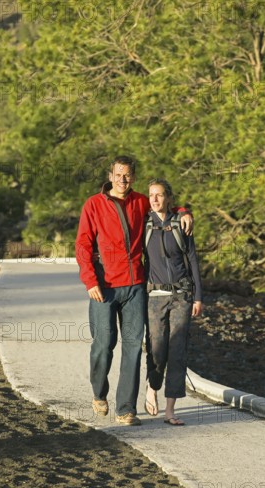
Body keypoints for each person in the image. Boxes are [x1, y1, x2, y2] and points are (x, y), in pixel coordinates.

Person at [75, 156, 192, 426]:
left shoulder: (141, 202)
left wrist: (186, 212)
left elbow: (168, 209)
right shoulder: (94, 204)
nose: (122, 180)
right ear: (110, 175)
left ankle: (126, 409)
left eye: (127, 175)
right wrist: (90, 280)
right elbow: (82, 245)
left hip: (135, 286)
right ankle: (99, 393)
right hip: (103, 287)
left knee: (132, 348)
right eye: (118, 175)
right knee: (104, 345)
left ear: (133, 177)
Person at [144, 179, 203, 426]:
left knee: (177, 351)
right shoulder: (143, 224)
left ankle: (170, 409)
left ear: (168, 197)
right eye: (151, 195)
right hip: (155, 298)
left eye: (160, 195)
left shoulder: (180, 224)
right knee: (157, 350)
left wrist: (198, 296)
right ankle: (152, 386)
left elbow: (193, 261)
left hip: (182, 296)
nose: (155, 199)